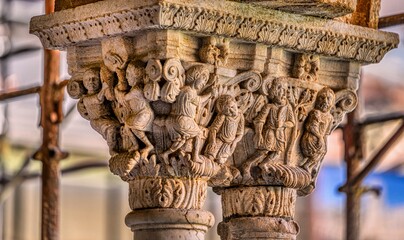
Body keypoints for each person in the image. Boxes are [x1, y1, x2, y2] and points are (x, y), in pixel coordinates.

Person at [242, 79, 294, 180]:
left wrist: (283, 124)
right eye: (279, 89)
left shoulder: (287, 107)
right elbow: (259, 120)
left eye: (284, 90)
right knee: (263, 150)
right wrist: (258, 133)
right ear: (273, 92)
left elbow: (292, 122)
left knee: (277, 152)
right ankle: (247, 164)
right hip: (269, 132)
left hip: (280, 134)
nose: (282, 92)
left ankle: (263, 164)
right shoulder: (269, 106)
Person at [77, 68, 120, 154]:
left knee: (118, 128)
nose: (91, 81)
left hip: (107, 117)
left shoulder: (102, 92)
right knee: (111, 128)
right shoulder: (86, 99)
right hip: (97, 120)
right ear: (84, 83)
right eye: (87, 79)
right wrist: (104, 88)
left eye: (94, 79)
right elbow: (98, 99)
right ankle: (112, 149)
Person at [300, 87, 335, 173]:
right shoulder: (316, 113)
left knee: (323, 150)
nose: (325, 101)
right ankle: (307, 165)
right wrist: (319, 137)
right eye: (322, 98)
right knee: (319, 149)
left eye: (328, 99)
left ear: (332, 102)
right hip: (311, 138)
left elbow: (326, 134)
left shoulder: (330, 118)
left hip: (319, 140)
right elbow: (311, 127)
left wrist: (324, 144)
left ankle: (311, 166)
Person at [205, 95, 244, 164]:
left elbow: (240, 133)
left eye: (232, 106)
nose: (232, 110)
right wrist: (213, 141)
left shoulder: (240, 115)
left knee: (220, 161)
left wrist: (235, 142)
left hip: (229, 143)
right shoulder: (223, 116)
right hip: (219, 139)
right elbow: (213, 129)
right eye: (228, 109)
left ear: (235, 103)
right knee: (209, 156)